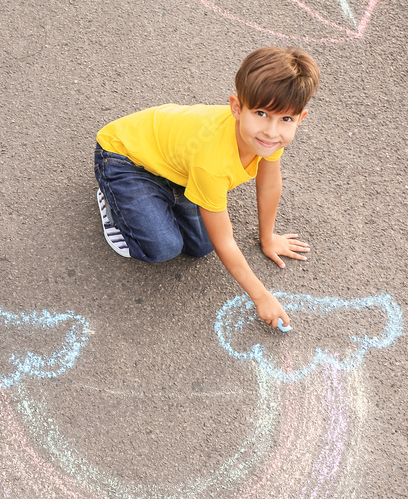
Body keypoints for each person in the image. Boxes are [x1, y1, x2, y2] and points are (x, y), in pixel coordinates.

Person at [94, 47, 318, 328]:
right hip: (123, 157)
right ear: (237, 107)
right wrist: (261, 297)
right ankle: (113, 200)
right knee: (163, 247)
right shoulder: (212, 160)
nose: (272, 131)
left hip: (173, 163)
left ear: (300, 118)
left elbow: (269, 182)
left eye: (286, 119)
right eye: (261, 113)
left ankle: (159, 197)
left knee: (200, 246)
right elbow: (226, 241)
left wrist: (268, 238)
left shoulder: (268, 140)